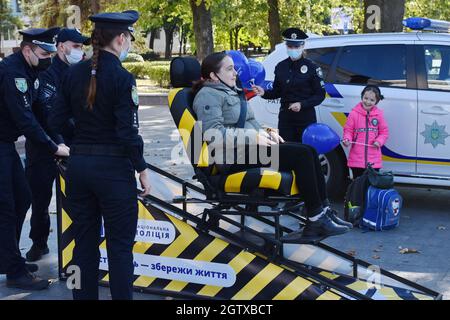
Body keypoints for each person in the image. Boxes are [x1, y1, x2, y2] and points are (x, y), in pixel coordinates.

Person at [192, 52, 352, 241]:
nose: (235, 72)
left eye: (234, 68)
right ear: (212, 75)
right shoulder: (207, 96)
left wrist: (267, 131)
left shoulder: (230, 91)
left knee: (308, 151)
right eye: (229, 69)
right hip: (231, 157)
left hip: (247, 149)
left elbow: (249, 122)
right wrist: (254, 136)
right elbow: (214, 135)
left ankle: (322, 213)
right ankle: (316, 219)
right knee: (301, 155)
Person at [48, 10, 150, 300]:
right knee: (119, 248)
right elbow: (128, 133)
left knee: (82, 245)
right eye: (129, 38)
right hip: (113, 172)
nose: (128, 42)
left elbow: (55, 121)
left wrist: (79, 142)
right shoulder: (122, 77)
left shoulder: (71, 73)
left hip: (79, 168)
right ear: (120, 39)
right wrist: (141, 169)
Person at [0, 27, 70, 290]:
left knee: (23, 197)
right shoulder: (12, 72)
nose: (47, 59)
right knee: (6, 206)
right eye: (43, 53)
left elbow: (42, 113)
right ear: (27, 50)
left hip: (4, 143)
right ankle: (15, 272)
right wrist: (53, 147)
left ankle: (7, 259)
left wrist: (59, 139)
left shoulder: (33, 71)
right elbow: (25, 120)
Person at [25, 28, 91, 263]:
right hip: (44, 146)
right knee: (40, 198)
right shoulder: (47, 73)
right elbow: (47, 113)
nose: (79, 51)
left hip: (73, 147)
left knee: (76, 199)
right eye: (76, 46)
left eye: (82, 47)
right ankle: (39, 242)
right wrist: (57, 143)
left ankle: (77, 247)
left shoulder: (83, 73)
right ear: (61, 46)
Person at [252, 28, 326, 143]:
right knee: (287, 151)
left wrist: (302, 104)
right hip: (286, 118)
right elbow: (277, 91)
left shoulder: (312, 67)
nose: (293, 49)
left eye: (296, 47)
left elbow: (320, 95)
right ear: (286, 46)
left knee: (304, 152)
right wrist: (264, 93)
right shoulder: (281, 66)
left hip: (305, 118)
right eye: (290, 46)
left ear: (302, 46)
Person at [343, 85, 389, 179]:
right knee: (358, 185)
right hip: (356, 161)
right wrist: (347, 139)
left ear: (376, 101)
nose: (368, 102)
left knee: (371, 186)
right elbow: (348, 130)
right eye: (366, 98)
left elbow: (384, 132)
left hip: (374, 161)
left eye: (372, 100)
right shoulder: (354, 114)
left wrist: (379, 141)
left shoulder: (379, 115)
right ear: (362, 97)